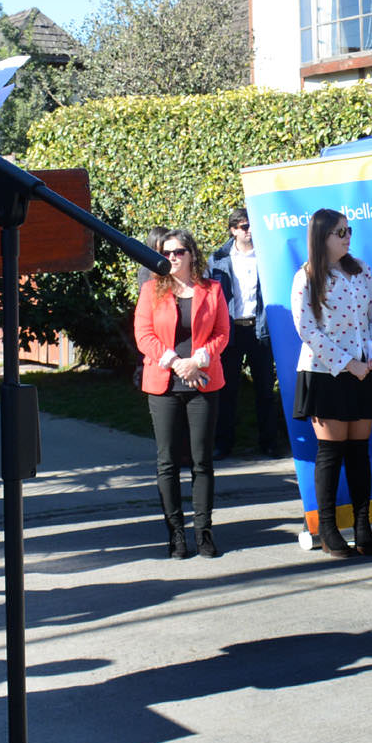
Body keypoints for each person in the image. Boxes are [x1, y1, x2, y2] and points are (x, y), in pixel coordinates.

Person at [295, 208, 372, 558]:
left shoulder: (361, 269)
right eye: (340, 232)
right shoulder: (306, 277)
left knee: (358, 451)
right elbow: (307, 329)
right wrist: (346, 363)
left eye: (348, 230)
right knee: (330, 453)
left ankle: (363, 524)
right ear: (322, 237)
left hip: (364, 372)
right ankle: (328, 528)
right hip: (326, 374)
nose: (346, 236)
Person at [135, 229, 230, 558]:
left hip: (203, 380)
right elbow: (143, 335)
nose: (172, 258)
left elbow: (222, 333)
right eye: (166, 253)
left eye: (178, 252)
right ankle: (176, 534)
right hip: (164, 383)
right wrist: (177, 363)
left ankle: (204, 532)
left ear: (192, 254)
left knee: (202, 461)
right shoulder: (150, 290)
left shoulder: (213, 289)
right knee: (167, 462)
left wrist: (197, 361)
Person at [210, 209, 285, 460]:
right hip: (230, 330)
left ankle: (269, 442)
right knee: (227, 390)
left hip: (259, 327)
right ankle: (224, 443)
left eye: (252, 225)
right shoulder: (218, 259)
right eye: (243, 226)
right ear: (233, 230)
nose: (249, 230)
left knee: (265, 390)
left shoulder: (266, 256)